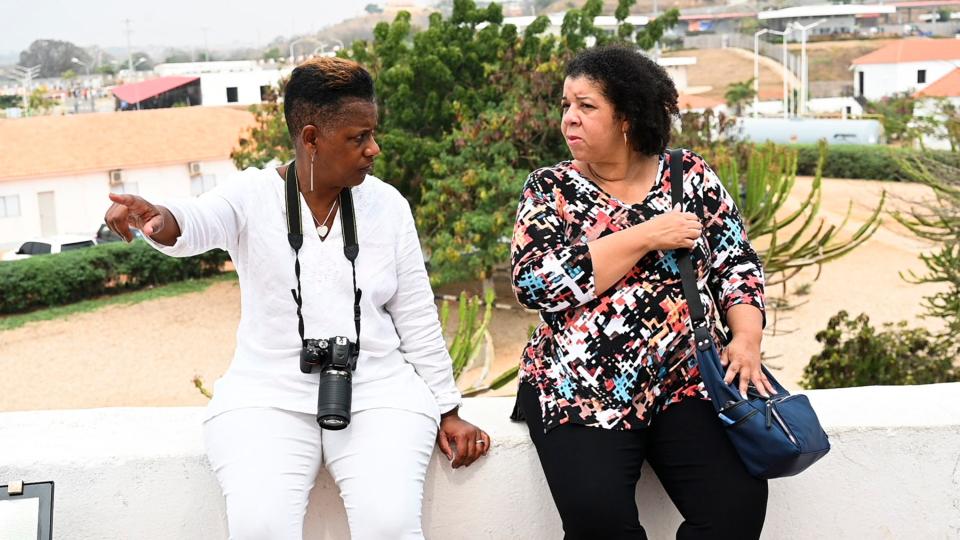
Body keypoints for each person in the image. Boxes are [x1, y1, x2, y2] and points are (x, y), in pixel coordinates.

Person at [104, 56, 490, 540]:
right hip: (267, 395)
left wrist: (447, 409)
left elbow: (415, 313)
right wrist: (158, 217)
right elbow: (197, 220)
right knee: (259, 526)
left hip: (378, 391)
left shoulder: (387, 205)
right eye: (358, 137)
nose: (374, 148)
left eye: (373, 133)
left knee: (390, 524)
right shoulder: (250, 194)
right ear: (311, 139)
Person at [510, 45, 773, 539]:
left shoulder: (686, 176)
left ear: (627, 116)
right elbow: (535, 282)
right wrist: (647, 235)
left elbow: (736, 262)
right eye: (566, 105)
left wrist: (746, 338)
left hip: (686, 383)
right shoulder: (549, 188)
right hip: (580, 389)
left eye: (586, 106)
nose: (569, 119)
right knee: (600, 523)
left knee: (735, 509)